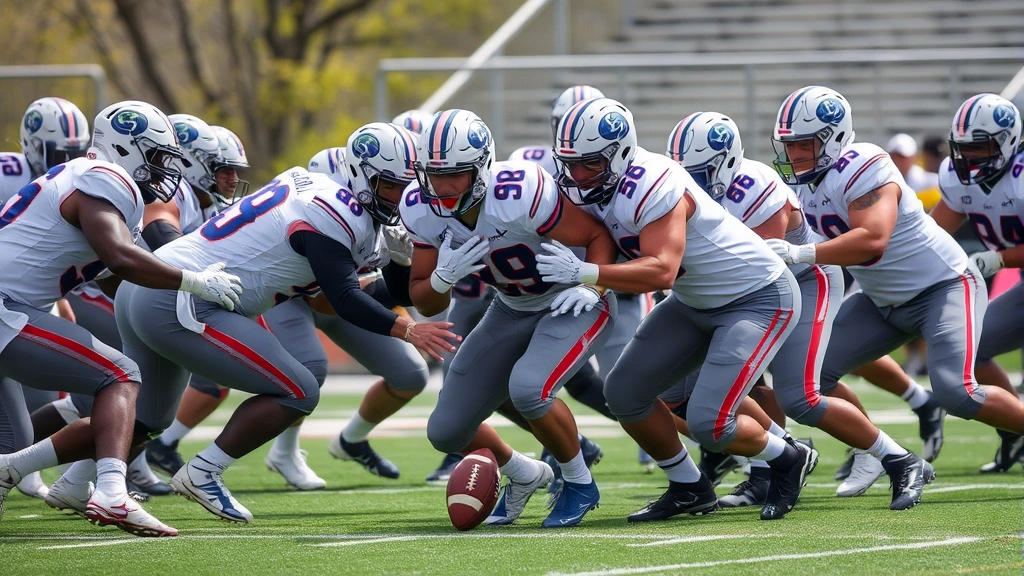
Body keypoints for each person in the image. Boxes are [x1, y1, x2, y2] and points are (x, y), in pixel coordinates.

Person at [117, 145, 457, 523]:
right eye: (392, 184)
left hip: (151, 284)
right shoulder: (335, 214)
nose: (402, 195)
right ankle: (204, 471)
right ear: (363, 175)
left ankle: (81, 479)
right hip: (184, 297)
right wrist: (408, 328)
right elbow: (344, 299)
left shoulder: (320, 197)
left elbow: (353, 295)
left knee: (147, 417)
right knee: (299, 389)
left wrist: (400, 263)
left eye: (409, 185)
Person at [539, 97, 813, 522]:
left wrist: (587, 273)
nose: (576, 175)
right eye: (569, 163)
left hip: (755, 297)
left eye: (589, 164)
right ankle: (689, 487)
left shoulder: (655, 180)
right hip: (695, 301)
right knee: (624, 393)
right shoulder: (591, 182)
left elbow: (663, 270)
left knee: (710, 423)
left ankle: (788, 457)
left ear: (620, 154)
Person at [0, 100, 244, 537]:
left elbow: (118, 278)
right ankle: (112, 492)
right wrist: (194, 281)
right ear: (126, 148)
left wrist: (166, 310)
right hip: (5, 304)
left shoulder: (95, 182)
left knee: (9, 449)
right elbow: (120, 257)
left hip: (12, 305)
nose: (164, 170)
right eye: (156, 157)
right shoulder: (105, 177)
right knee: (120, 374)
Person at [766, 86, 1024, 499]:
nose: (794, 154)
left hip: (941, 288)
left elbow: (873, 239)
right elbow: (937, 224)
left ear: (832, 138)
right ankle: (875, 451)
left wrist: (800, 252)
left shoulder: (864, 164)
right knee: (807, 377)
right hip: (880, 298)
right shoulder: (803, 184)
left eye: (803, 143)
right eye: (789, 144)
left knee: (957, 392)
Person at [669, 111, 928, 509]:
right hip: (739, 289)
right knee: (707, 385)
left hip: (798, 282)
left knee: (800, 397)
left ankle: (898, 458)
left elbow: (750, 272)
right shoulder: (681, 190)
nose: (689, 182)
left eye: (699, 172)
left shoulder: (754, 189)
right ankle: (774, 461)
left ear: (726, 163)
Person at [404, 109, 620, 528]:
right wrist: (443, 277)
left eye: (457, 174)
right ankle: (525, 473)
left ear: (482, 168)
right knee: (446, 431)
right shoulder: (420, 207)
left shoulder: (520, 190)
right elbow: (425, 302)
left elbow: (597, 235)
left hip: (569, 300)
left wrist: (592, 286)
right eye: (433, 173)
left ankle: (579, 482)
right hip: (510, 307)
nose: (443, 186)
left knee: (528, 389)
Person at [927, 93, 1024, 473]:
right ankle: (1014, 425)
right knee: (975, 346)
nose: (970, 158)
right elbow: (932, 233)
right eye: (964, 148)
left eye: (980, 147)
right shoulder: (957, 177)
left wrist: (1000, 257)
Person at [0, 97, 91, 501]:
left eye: (78, 151)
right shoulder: (7, 172)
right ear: (34, 146)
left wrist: (58, 299)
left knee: (18, 435)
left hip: (20, 300)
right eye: (62, 153)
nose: (71, 160)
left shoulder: (75, 184)